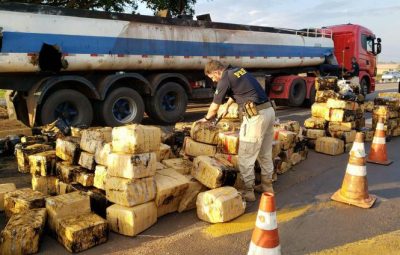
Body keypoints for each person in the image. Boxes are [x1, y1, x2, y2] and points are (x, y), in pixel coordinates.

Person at [200, 60, 276, 202]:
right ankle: (267, 186)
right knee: (265, 153)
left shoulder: (224, 78)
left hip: (256, 117)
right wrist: (228, 105)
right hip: (268, 111)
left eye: (212, 77)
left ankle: (249, 191)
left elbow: (215, 106)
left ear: (217, 72)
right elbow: (239, 91)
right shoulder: (237, 70)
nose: (214, 80)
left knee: (246, 156)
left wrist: (206, 118)